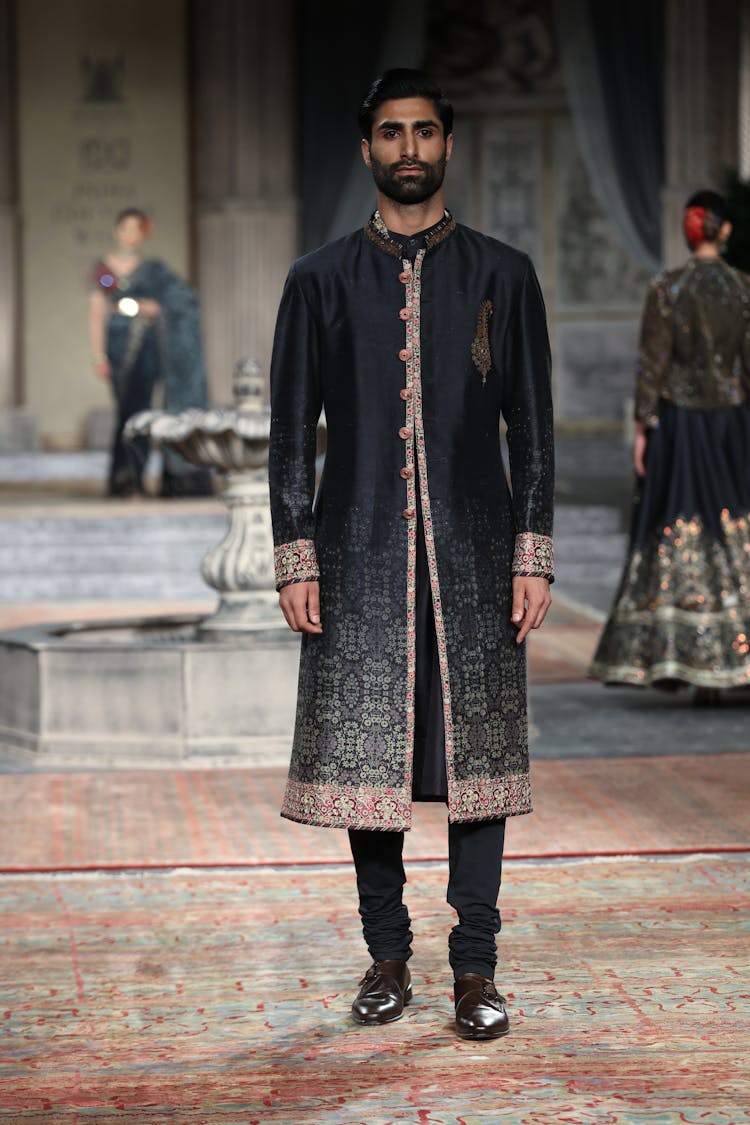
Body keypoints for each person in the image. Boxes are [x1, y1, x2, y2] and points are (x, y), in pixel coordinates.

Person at [268, 69, 554, 1040]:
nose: (409, 149)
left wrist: (533, 550)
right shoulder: (317, 282)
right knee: (372, 767)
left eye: (425, 132)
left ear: (446, 144)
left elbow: (536, 430)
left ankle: (476, 968)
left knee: (477, 762)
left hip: (475, 553)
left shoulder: (503, 274)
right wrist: (295, 554)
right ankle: (386, 957)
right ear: (366, 148)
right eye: (391, 133)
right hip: (357, 554)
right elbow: (286, 434)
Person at [589, 190, 750, 701]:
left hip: (680, 428)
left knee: (678, 525)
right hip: (732, 425)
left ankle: (682, 657)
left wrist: (642, 426)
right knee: (734, 526)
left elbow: (651, 366)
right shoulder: (744, 289)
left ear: (691, 231)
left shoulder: (667, 289)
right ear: (724, 231)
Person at [89, 207, 212, 498]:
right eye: (126, 229)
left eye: (137, 229)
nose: (130, 235)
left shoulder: (154, 269)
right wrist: (97, 356)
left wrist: (158, 308)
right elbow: (98, 312)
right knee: (128, 410)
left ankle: (140, 477)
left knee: (144, 409)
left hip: (150, 345)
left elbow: (179, 299)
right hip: (120, 345)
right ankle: (125, 477)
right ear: (117, 231)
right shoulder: (105, 269)